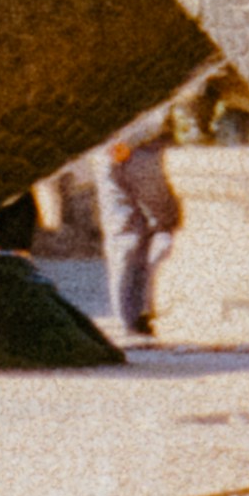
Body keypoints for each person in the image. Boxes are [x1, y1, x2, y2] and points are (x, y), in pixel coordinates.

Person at [90, 99, 181, 338]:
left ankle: (127, 318)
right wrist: (128, 142)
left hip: (107, 150)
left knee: (123, 236)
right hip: (144, 150)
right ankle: (148, 311)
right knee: (164, 228)